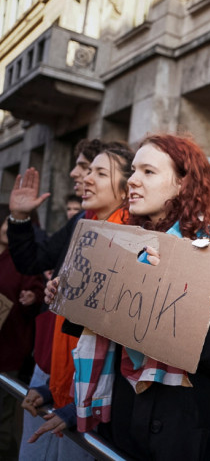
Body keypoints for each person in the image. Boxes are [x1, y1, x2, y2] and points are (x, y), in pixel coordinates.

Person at [58, 134, 210, 460]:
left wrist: (169, 292)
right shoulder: (128, 243)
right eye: (133, 170)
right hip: (126, 413)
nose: (132, 181)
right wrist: (72, 298)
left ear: (182, 185)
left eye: (148, 172)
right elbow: (112, 327)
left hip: (186, 424)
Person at [16, 142, 133, 457]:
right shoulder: (85, 226)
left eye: (99, 172)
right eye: (87, 169)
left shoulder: (132, 242)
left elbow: (115, 348)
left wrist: (79, 405)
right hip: (65, 388)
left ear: (126, 189)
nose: (84, 178)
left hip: (93, 406)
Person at [8, 138, 106, 460]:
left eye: (87, 167)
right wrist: (21, 219)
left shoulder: (127, 231)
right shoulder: (81, 220)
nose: (76, 174)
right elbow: (36, 259)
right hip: (49, 364)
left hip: (84, 379)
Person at [0, 213, 45, 460]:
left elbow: (37, 294)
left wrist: (32, 298)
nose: (8, 228)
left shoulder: (23, 261)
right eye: (6, 222)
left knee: (3, 421)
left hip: (8, 352)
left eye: (13, 224)